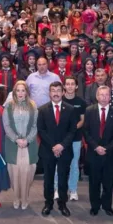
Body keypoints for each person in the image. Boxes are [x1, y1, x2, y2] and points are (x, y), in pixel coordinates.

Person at [37, 81, 77, 217]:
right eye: (53, 90)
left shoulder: (71, 109)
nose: (56, 93)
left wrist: (62, 145)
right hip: (48, 150)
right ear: (49, 93)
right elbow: (41, 131)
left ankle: (62, 203)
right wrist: (53, 146)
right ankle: (48, 203)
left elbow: (72, 131)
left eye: (58, 90)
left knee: (62, 179)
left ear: (63, 92)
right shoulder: (42, 110)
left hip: (65, 150)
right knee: (48, 179)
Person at [83, 86, 113, 216]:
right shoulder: (89, 111)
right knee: (94, 182)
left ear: (110, 97)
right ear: (97, 96)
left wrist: (107, 148)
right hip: (93, 153)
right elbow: (86, 131)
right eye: (101, 95)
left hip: (109, 154)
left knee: (108, 182)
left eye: (107, 95)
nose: (104, 97)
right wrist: (95, 146)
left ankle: (107, 206)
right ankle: (94, 206)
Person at [2, 80, 39, 210]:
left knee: (28, 172)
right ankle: (16, 198)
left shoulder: (32, 105)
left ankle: (25, 198)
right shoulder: (9, 106)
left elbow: (35, 126)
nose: (20, 93)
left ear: (27, 92)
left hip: (29, 144)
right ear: (14, 92)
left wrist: (27, 140)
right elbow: (6, 126)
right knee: (14, 172)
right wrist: (17, 139)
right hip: (14, 144)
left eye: (23, 90)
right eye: (18, 90)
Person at [58, 76, 86, 201]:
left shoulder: (81, 102)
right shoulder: (59, 100)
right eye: (67, 84)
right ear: (64, 86)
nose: (69, 86)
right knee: (59, 165)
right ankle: (56, 189)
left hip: (75, 138)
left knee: (74, 164)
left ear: (76, 86)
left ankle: (73, 189)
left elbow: (82, 120)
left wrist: (72, 130)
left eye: (72, 84)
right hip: (61, 139)